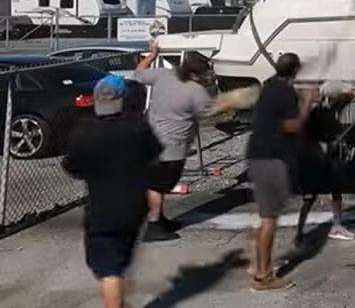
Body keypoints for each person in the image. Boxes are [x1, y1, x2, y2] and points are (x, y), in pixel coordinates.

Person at [63, 75, 163, 308]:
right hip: (135, 206)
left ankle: (115, 300)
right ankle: (119, 298)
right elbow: (154, 156)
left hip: (102, 208)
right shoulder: (138, 128)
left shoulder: (84, 132)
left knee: (108, 269)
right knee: (119, 261)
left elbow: (72, 167)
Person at [129, 42, 232, 241]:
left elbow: (138, 73)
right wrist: (229, 101)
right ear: (197, 73)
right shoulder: (196, 91)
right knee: (158, 185)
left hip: (150, 139)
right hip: (172, 146)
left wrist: (152, 55)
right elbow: (209, 113)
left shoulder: (163, 75)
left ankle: (159, 219)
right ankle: (153, 226)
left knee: (157, 183)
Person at [246, 52, 314, 292]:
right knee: (269, 220)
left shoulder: (269, 85)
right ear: (295, 70)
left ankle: (257, 265)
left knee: (267, 216)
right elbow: (293, 126)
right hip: (271, 159)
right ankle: (262, 277)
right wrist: (307, 102)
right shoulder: (285, 92)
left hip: (257, 155)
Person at [295, 81, 355, 244]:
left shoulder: (336, 105)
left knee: (335, 192)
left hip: (330, 158)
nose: (347, 96)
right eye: (343, 94)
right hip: (318, 158)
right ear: (335, 96)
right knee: (311, 197)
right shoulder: (318, 113)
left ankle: (336, 227)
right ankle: (300, 233)